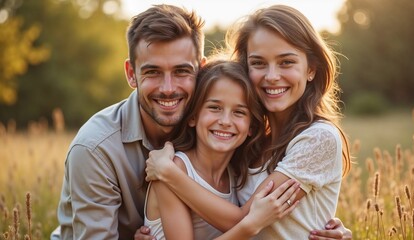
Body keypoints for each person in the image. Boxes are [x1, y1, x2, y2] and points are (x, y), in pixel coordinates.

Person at [53, 4, 304, 240]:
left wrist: (321, 230)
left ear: (201, 71)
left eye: (182, 71)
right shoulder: (95, 149)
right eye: (153, 72)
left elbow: (268, 209)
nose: (168, 89)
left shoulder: (227, 144)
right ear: (131, 74)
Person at [144, 4, 352, 240]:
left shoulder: (318, 138)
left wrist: (169, 174)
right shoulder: (248, 142)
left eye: (286, 62)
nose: (272, 76)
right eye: (259, 63)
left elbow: (246, 219)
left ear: (311, 69)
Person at [144, 59, 300, 240]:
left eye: (239, 112)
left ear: (251, 127)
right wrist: (251, 226)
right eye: (215, 108)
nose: (225, 121)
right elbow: (248, 223)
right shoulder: (171, 171)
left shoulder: (236, 176)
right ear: (193, 117)